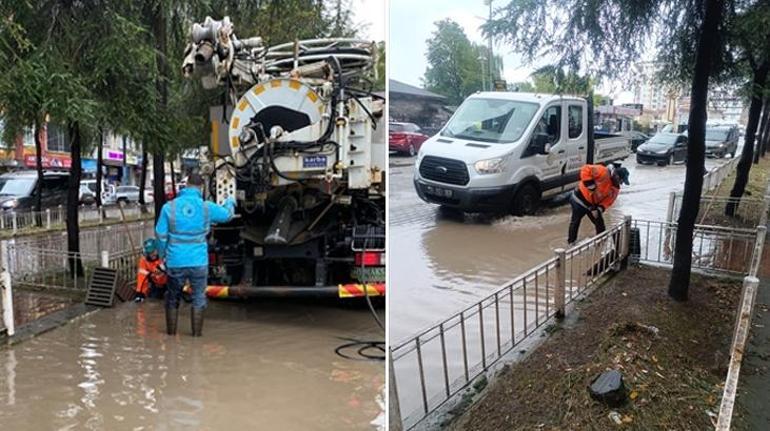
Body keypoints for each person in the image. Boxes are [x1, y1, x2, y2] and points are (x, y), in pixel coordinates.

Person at [155, 174, 236, 336]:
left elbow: (160, 235)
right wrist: (230, 201)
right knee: (199, 298)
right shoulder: (206, 207)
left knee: (172, 298)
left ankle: (171, 335)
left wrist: (163, 256)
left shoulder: (168, 207)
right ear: (201, 188)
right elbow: (227, 215)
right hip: (198, 261)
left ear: (186, 186)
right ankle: (196, 338)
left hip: (175, 261)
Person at [567, 162, 630, 245]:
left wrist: (599, 209)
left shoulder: (615, 189)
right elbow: (585, 169)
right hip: (579, 199)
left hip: (593, 205)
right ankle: (571, 243)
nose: (621, 183)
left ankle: (601, 243)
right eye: (621, 180)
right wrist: (590, 184)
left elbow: (608, 201)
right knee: (576, 221)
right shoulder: (602, 171)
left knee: (600, 225)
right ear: (616, 175)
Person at [134, 238, 168, 302]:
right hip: (156, 285)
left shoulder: (164, 256)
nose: (152, 254)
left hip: (169, 284)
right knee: (153, 300)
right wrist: (140, 293)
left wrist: (163, 268)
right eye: (149, 253)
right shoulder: (144, 261)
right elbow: (142, 278)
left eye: (153, 251)